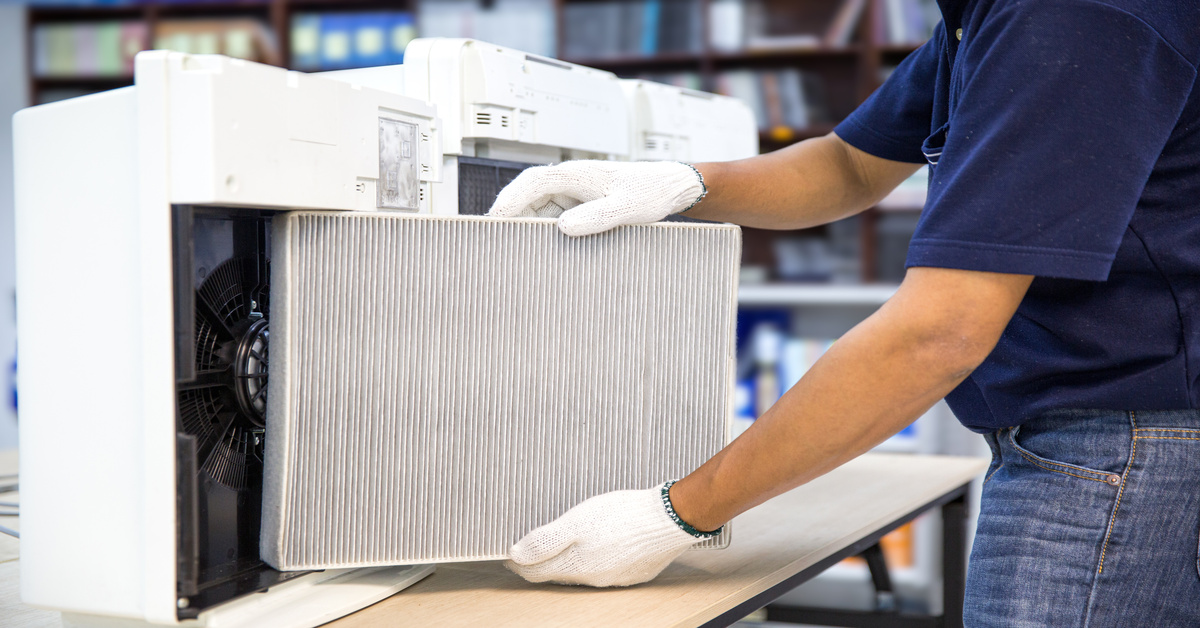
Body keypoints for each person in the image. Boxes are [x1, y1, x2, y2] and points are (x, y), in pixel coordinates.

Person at [487, 0, 1200, 624]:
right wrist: (683, 184)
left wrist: (676, 515)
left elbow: (936, 334)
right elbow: (848, 166)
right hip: (1102, 432)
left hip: (1125, 446)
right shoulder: (980, 19)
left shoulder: (1068, 16)